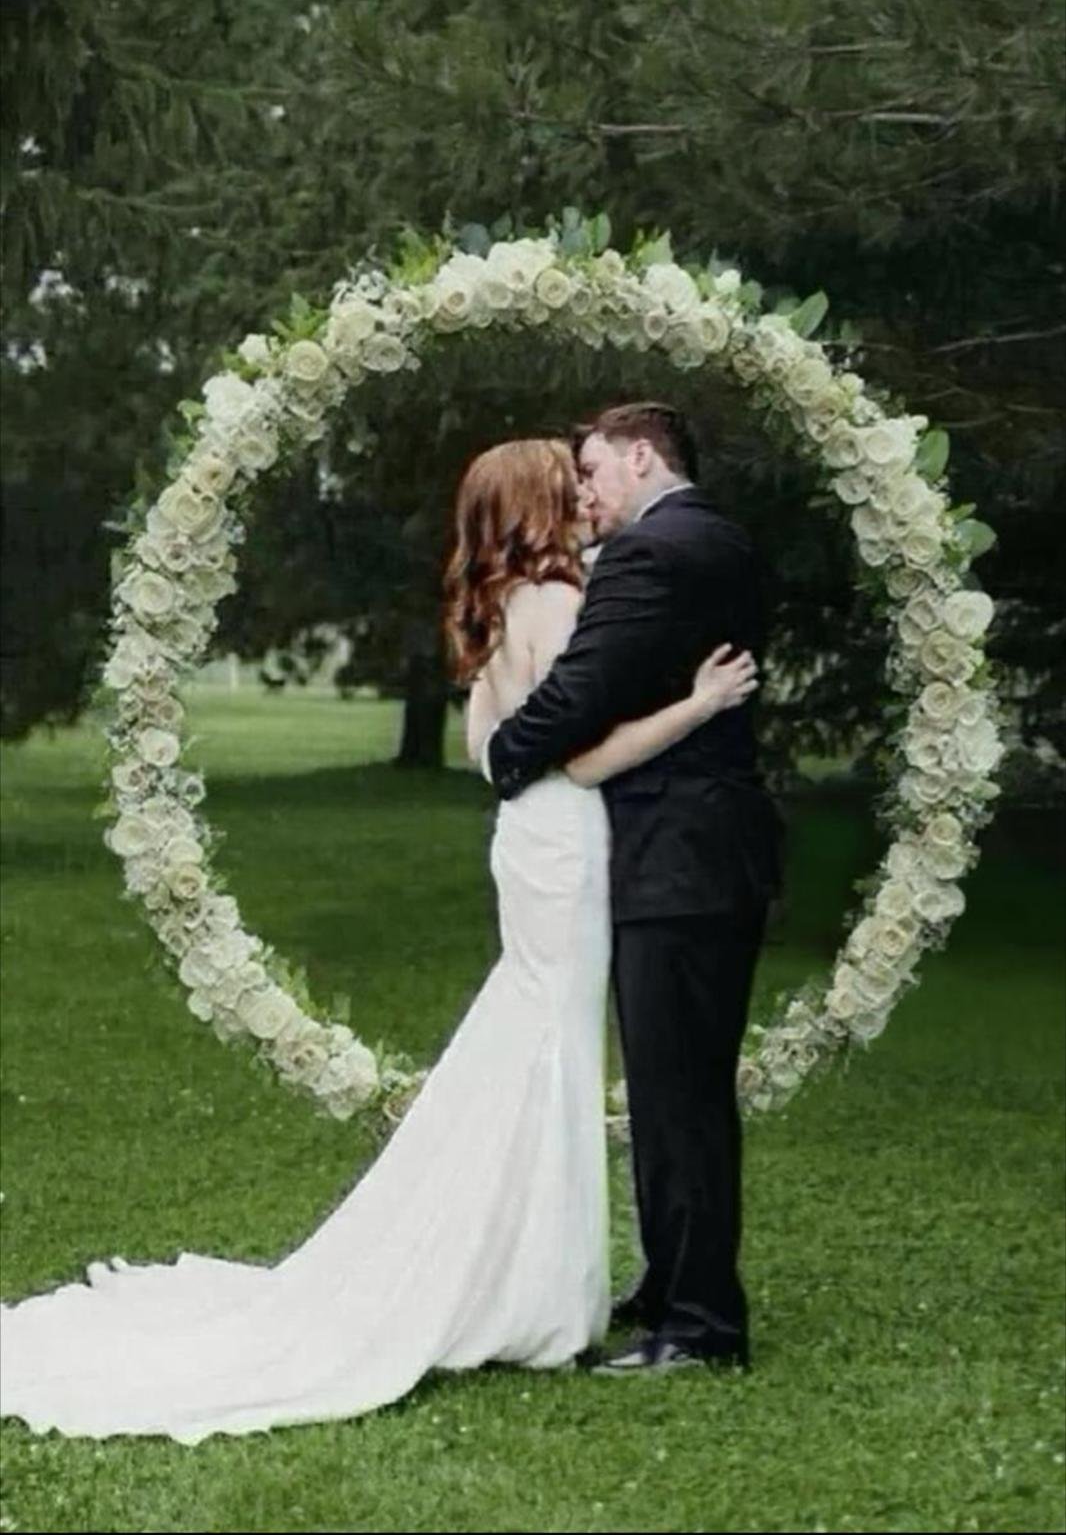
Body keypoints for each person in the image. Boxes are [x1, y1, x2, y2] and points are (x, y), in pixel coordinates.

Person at [0, 436, 756, 1445]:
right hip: (567, 844)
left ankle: (526, 1272)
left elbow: (486, 747)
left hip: (527, 846)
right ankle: (532, 1292)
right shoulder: (555, 602)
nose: (583, 494)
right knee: (551, 1049)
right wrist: (698, 704)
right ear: (537, 505)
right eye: (566, 482)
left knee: (533, 1037)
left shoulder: (498, 605)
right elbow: (575, 760)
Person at [482, 404, 784, 1376]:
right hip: (698, 852)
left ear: (642, 456)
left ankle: (699, 1324)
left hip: (679, 860)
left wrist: (505, 756)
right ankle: (669, 1283)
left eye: (593, 469)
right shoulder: (718, 538)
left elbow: (583, 689)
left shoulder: (654, 550)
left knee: (678, 1097)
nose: (583, 490)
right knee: (671, 1090)